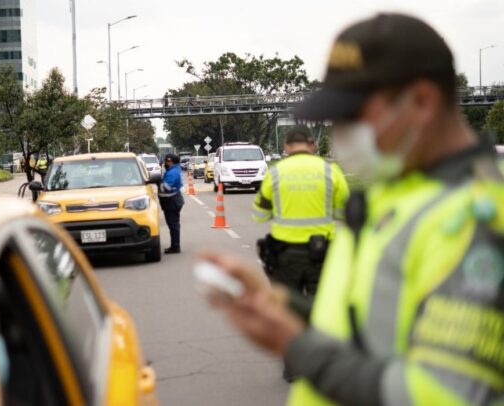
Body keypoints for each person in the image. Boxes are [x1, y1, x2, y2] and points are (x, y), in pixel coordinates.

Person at [204, 13, 504, 405]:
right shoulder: (398, 190)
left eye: (353, 115)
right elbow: (372, 332)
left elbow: (441, 393)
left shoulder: (477, 216)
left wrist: (295, 344)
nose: (341, 132)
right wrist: (282, 306)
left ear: (421, 101)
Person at [253, 125, 349, 297]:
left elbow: (260, 215)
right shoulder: (331, 171)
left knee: (288, 312)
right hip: (321, 252)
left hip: (285, 254)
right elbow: (343, 212)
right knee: (322, 308)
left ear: (286, 147)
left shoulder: (275, 173)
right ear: (313, 145)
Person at [158, 154, 185, 254]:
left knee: (173, 225)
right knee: (174, 225)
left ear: (172, 161)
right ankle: (175, 245)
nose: (165, 163)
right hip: (173, 200)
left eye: (167, 161)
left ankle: (175, 247)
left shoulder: (173, 172)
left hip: (172, 201)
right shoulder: (174, 170)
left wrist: (158, 182)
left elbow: (166, 188)